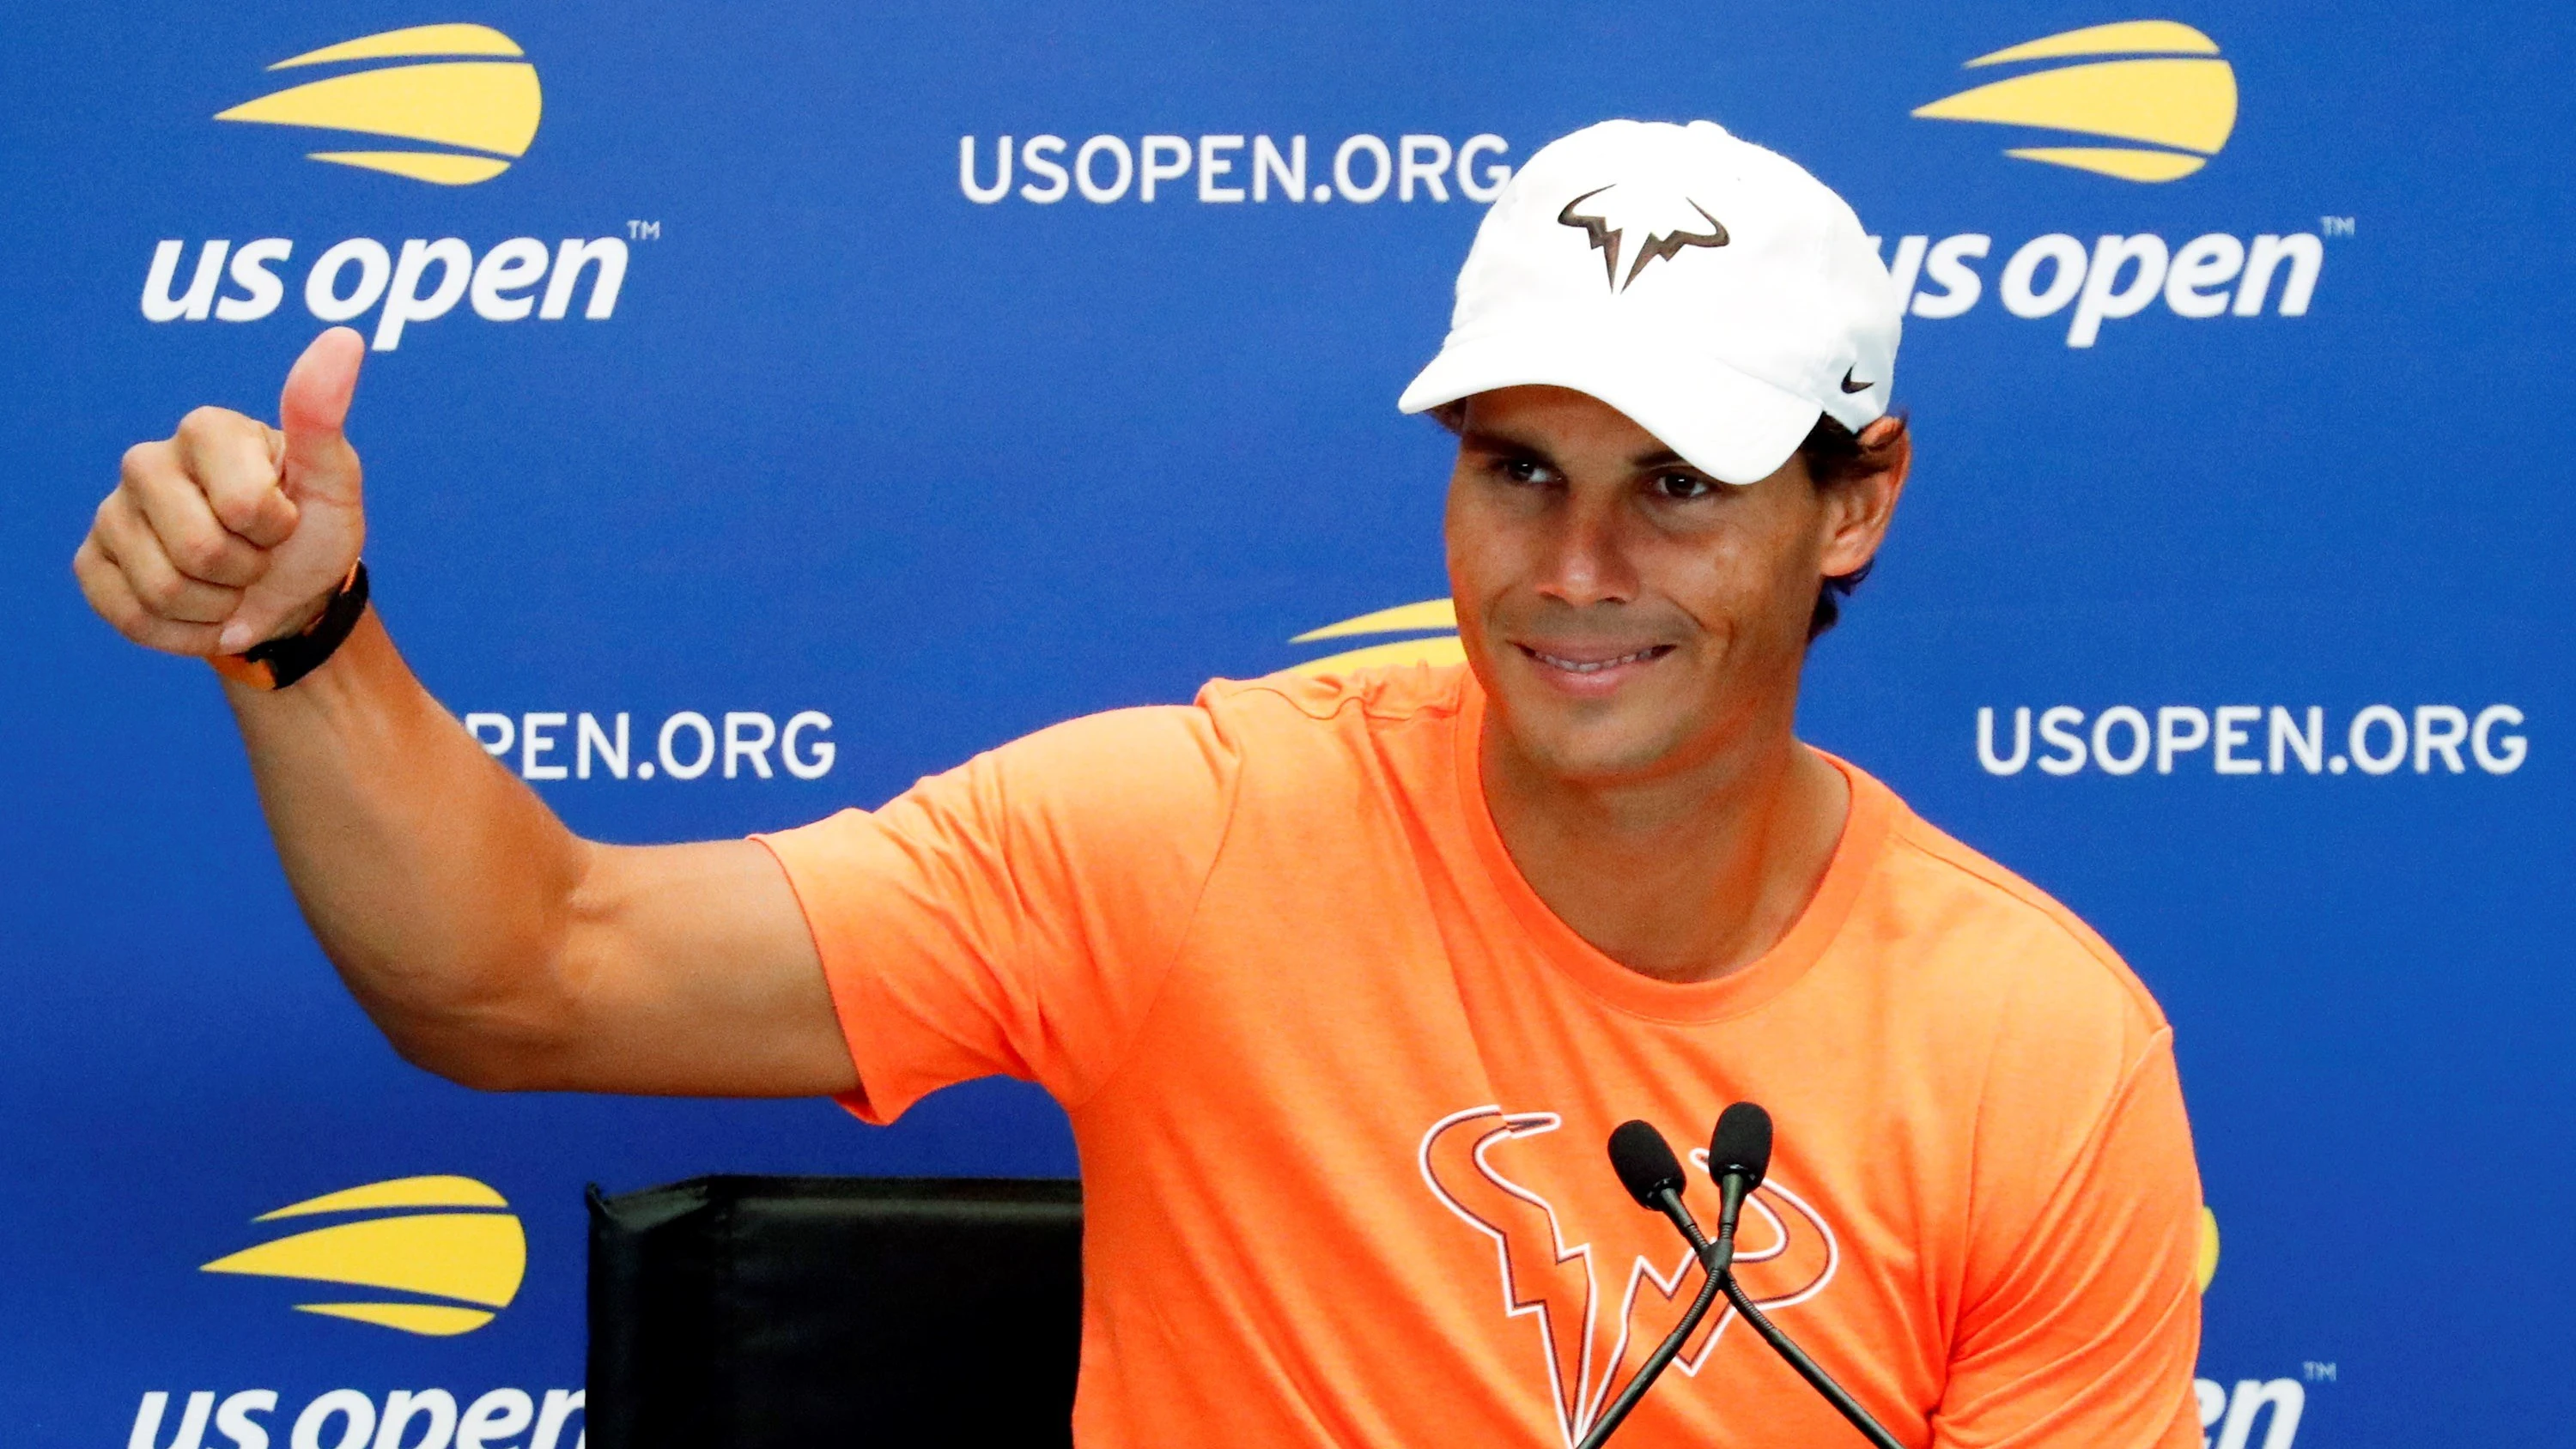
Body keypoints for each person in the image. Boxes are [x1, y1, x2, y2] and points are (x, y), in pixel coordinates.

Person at [74, 120, 2202, 1447]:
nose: (1575, 569)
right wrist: (302, 637)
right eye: (1517, 468)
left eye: (1678, 487)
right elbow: (525, 970)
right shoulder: (1190, 836)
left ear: (1854, 504)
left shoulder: (2038, 1049)